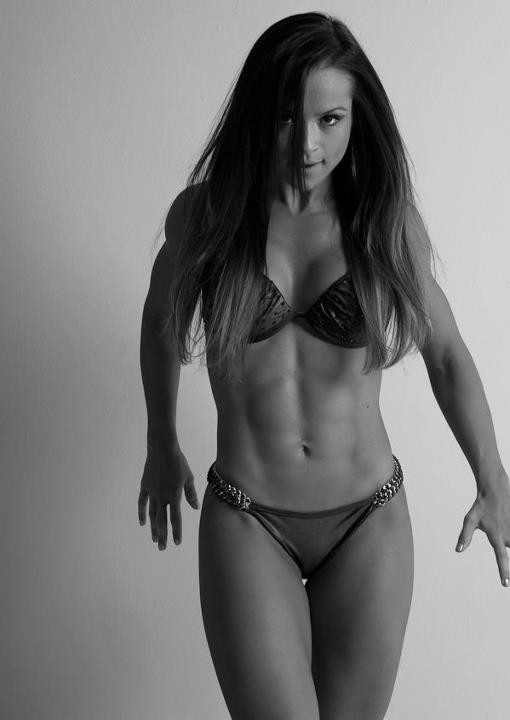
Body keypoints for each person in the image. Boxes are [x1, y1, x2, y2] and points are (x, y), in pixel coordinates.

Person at [137, 11, 510, 720]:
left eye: (329, 120)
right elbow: (161, 320)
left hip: (369, 520)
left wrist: (493, 478)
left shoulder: (383, 222)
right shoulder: (207, 218)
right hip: (249, 518)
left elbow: (447, 353)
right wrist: (162, 439)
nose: (307, 144)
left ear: (355, 118)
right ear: (258, 114)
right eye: (286, 118)